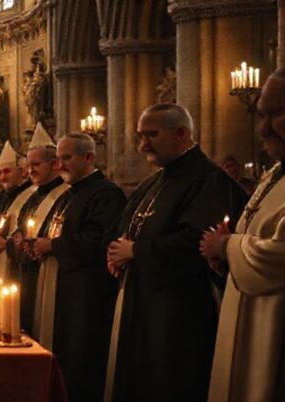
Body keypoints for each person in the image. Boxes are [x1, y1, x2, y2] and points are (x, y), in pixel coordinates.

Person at [104, 103, 248, 402]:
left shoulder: (208, 179)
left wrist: (136, 251)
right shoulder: (155, 181)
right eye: (140, 135)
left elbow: (201, 240)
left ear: (181, 133)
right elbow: (126, 228)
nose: (143, 144)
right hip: (141, 295)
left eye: (152, 135)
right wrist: (117, 254)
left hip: (178, 308)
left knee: (168, 381)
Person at [201, 69, 285, 402]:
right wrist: (227, 260)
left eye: (276, 114)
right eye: (260, 114)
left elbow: (279, 257)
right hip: (250, 318)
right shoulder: (276, 173)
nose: (262, 129)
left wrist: (228, 246)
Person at [32, 133, 125, 402]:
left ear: (89, 158)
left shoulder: (106, 193)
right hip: (63, 285)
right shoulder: (70, 193)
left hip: (87, 293)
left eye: (66, 158)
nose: (60, 165)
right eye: (58, 159)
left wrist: (52, 246)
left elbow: (100, 241)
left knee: (81, 357)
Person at [11, 123, 69, 335]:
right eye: (28, 165)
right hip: (30, 270)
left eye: (35, 165)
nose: (29, 170)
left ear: (54, 164)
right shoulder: (33, 194)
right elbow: (21, 226)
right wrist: (19, 241)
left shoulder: (66, 193)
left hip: (54, 274)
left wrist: (43, 245)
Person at [0, 141, 35, 280]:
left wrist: (7, 244)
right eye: (0, 172)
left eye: (7, 171)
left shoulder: (31, 195)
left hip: (16, 265)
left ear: (23, 171)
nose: (2, 177)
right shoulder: (3, 196)